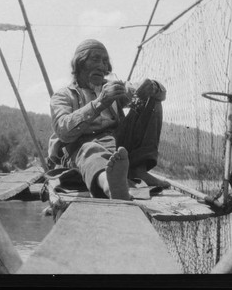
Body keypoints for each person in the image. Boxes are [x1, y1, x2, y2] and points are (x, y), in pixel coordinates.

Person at [47, 39, 168, 200]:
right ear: (79, 63)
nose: (102, 67)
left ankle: (138, 169)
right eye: (95, 59)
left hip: (118, 144)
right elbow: (63, 131)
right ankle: (111, 186)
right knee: (91, 150)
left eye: (105, 62)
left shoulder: (115, 87)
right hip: (81, 146)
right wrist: (100, 103)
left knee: (151, 101)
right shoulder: (63, 96)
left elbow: (160, 93)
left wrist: (153, 86)